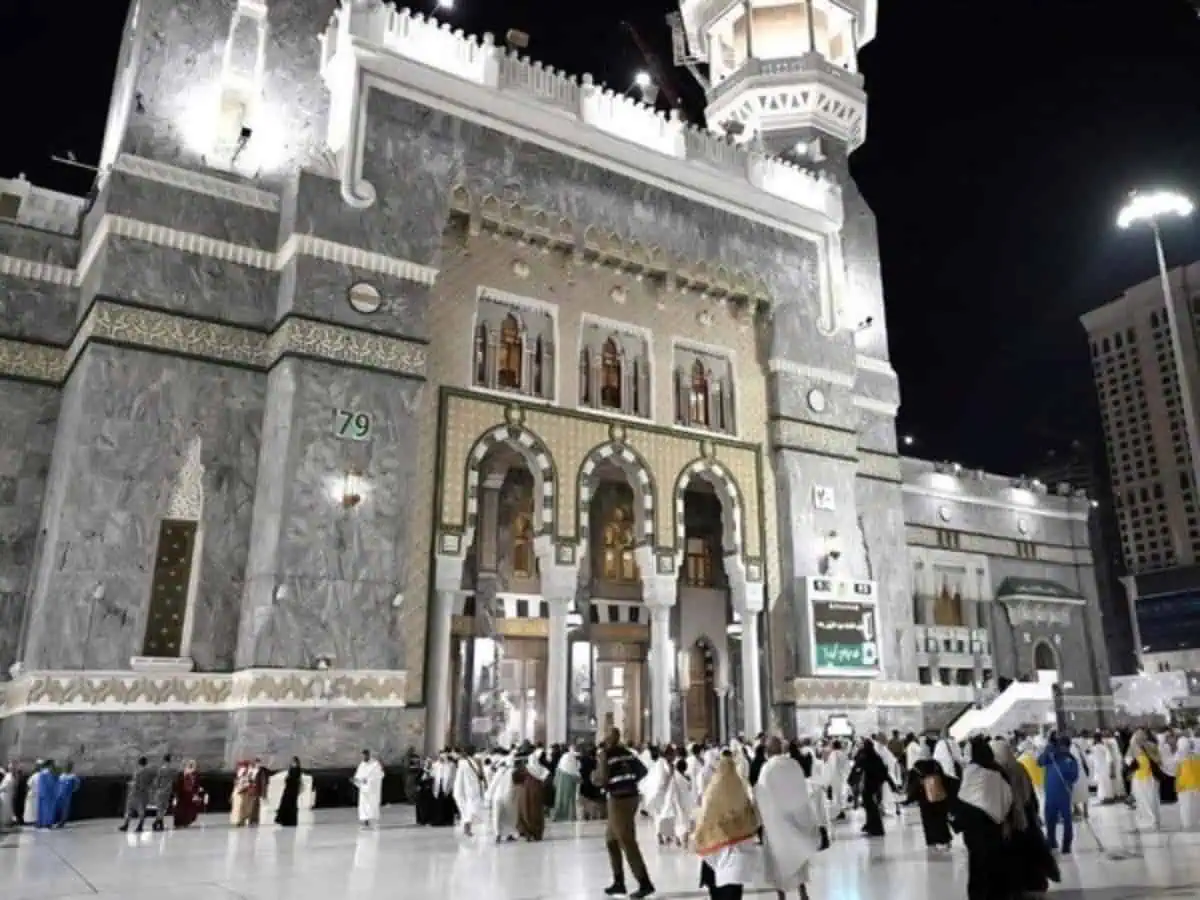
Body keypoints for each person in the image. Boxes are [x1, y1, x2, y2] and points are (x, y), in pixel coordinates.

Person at [755, 737, 822, 900]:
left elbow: (762, 795)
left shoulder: (767, 768)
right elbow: (803, 791)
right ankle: (802, 892)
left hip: (776, 823)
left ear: (767, 752)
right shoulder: (793, 765)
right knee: (797, 856)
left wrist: (760, 819)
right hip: (796, 819)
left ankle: (781, 896)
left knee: (778, 861)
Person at [991, 738, 1058, 898]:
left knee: (1012, 856)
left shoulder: (995, 772)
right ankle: (1034, 885)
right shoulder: (1019, 767)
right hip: (1025, 817)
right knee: (1029, 852)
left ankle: (1017, 887)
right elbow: (1030, 795)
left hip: (1008, 820)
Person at [595, 727, 654, 899]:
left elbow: (601, 779)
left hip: (618, 800)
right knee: (611, 840)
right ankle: (618, 882)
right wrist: (629, 780)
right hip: (631, 797)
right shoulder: (627, 753)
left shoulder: (605, 754)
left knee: (627, 841)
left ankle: (645, 883)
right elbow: (643, 770)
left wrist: (595, 778)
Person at [952, 737, 1013, 900]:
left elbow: (963, 798)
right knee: (995, 862)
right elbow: (1008, 798)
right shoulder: (999, 771)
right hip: (994, 824)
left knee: (977, 864)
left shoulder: (970, 772)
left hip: (974, 826)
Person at [694, 753, 759, 900]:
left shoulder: (712, 791)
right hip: (737, 850)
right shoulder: (740, 789)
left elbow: (705, 816)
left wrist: (698, 837)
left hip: (716, 846)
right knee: (734, 890)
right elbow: (751, 816)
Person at [1038, 735, 1080, 854]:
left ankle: (1066, 844)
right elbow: (1039, 762)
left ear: (1068, 747)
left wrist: (1067, 778)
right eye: (1060, 746)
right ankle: (1051, 841)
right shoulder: (1050, 757)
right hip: (1050, 794)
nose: (1062, 749)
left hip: (1064, 795)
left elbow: (1074, 776)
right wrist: (1047, 750)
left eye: (1064, 747)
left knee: (1067, 820)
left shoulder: (1070, 759)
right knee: (1050, 819)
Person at [848, 740, 896, 837]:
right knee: (870, 804)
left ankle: (875, 827)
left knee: (870, 805)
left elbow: (857, 767)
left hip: (869, 784)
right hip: (876, 784)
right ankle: (871, 825)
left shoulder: (865, 756)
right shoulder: (876, 756)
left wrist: (851, 780)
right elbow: (884, 772)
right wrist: (892, 784)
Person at [910, 741, 952, 850]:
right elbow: (944, 779)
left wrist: (911, 798)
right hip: (939, 797)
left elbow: (913, 784)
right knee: (941, 819)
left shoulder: (916, 766)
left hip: (924, 799)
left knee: (928, 821)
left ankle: (931, 841)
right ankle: (945, 840)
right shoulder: (936, 764)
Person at [1126, 729, 1163, 831]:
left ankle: (1151, 821)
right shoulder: (1136, 747)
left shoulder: (1146, 746)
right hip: (1143, 778)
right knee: (1146, 800)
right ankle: (1152, 821)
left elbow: (1159, 760)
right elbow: (1128, 761)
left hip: (1147, 778)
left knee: (1147, 800)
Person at [516, 745, 549, 841]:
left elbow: (517, 779)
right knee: (537, 811)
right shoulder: (541, 769)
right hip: (537, 791)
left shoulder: (525, 768)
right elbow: (545, 779)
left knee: (525, 810)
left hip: (525, 791)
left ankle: (527, 833)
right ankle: (537, 833)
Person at [453, 750, 487, 836]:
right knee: (470, 808)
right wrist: (485, 783)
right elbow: (481, 774)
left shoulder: (462, 762)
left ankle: (467, 827)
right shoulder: (476, 760)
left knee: (467, 809)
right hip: (472, 788)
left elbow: (459, 778)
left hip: (465, 789)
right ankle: (467, 827)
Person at [487, 751, 520, 841]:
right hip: (509, 796)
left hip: (497, 797)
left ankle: (498, 834)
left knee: (497, 816)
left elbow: (493, 784)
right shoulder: (514, 772)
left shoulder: (500, 771)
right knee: (510, 816)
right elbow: (517, 786)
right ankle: (510, 833)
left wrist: (488, 797)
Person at [119, 757, 156, 832]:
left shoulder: (137, 772)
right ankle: (140, 825)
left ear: (139, 763)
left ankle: (126, 825)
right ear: (146, 763)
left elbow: (135, 782)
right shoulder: (150, 772)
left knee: (129, 809)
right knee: (142, 810)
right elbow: (152, 782)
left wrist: (131, 784)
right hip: (145, 793)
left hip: (135, 793)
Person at [353, 749, 385, 828]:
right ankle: (365, 820)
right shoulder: (362, 764)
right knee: (363, 804)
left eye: (365, 755)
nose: (364, 757)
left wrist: (368, 780)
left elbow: (380, 775)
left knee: (372, 805)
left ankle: (372, 820)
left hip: (372, 790)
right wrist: (356, 780)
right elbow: (358, 775)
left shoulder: (375, 764)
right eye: (363, 756)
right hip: (363, 789)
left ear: (368, 755)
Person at [1176, 736, 1200, 830]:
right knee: (1195, 807)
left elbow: (1178, 774)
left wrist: (1177, 786)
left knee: (1186, 807)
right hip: (1195, 787)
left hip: (1185, 787)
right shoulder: (1197, 756)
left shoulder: (1179, 758)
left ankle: (1187, 825)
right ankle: (1193, 824)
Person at [173, 760, 206, 829]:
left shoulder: (192, 773)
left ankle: (183, 822)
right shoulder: (188, 773)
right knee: (185, 809)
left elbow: (195, 784)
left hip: (187, 794)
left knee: (186, 809)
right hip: (185, 794)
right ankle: (182, 822)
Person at [553, 744, 581, 821]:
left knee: (561, 798)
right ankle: (569, 816)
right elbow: (574, 771)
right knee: (569, 798)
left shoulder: (565, 756)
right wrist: (578, 777)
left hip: (562, 778)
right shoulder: (571, 758)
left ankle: (560, 816)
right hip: (568, 779)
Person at [274, 758, 305, 827]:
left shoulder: (298, 770)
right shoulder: (291, 769)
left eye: (294, 762)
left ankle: (290, 821)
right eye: (292, 762)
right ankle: (285, 821)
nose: (293, 763)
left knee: (291, 804)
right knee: (286, 804)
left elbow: (295, 780)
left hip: (293, 790)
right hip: (288, 789)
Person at [151, 754, 177, 831]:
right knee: (164, 808)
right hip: (168, 791)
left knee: (160, 808)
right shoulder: (172, 769)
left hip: (160, 790)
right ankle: (159, 823)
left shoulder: (161, 769)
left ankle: (158, 822)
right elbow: (175, 780)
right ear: (170, 760)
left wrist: (156, 789)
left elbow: (157, 781)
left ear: (164, 760)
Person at [1088, 733, 1116, 804]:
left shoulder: (1094, 748)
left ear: (1095, 739)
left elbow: (1090, 759)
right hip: (1104, 767)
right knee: (1105, 783)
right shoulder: (1103, 747)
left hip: (1099, 767)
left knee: (1101, 784)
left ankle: (1104, 798)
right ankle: (1107, 798)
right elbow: (1110, 758)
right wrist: (1111, 769)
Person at [33, 760, 59, 829]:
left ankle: (40, 823)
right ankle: (47, 823)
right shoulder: (47, 773)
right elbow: (50, 784)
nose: (54, 766)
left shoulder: (43, 772)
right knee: (47, 809)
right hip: (47, 794)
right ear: (50, 765)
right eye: (53, 764)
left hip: (43, 793)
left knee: (41, 809)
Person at [54, 762, 80, 828]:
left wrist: (72, 790)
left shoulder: (73, 776)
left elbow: (77, 785)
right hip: (59, 794)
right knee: (58, 808)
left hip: (67, 795)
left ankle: (62, 822)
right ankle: (55, 821)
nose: (67, 768)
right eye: (66, 766)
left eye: (69, 766)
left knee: (65, 809)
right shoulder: (61, 775)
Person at [0, 763, 15, 831]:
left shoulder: (8, 776)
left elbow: (5, 786)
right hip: (6, 794)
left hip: (5, 794)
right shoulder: (9, 776)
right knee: (6, 809)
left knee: (5, 809)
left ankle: (5, 822)